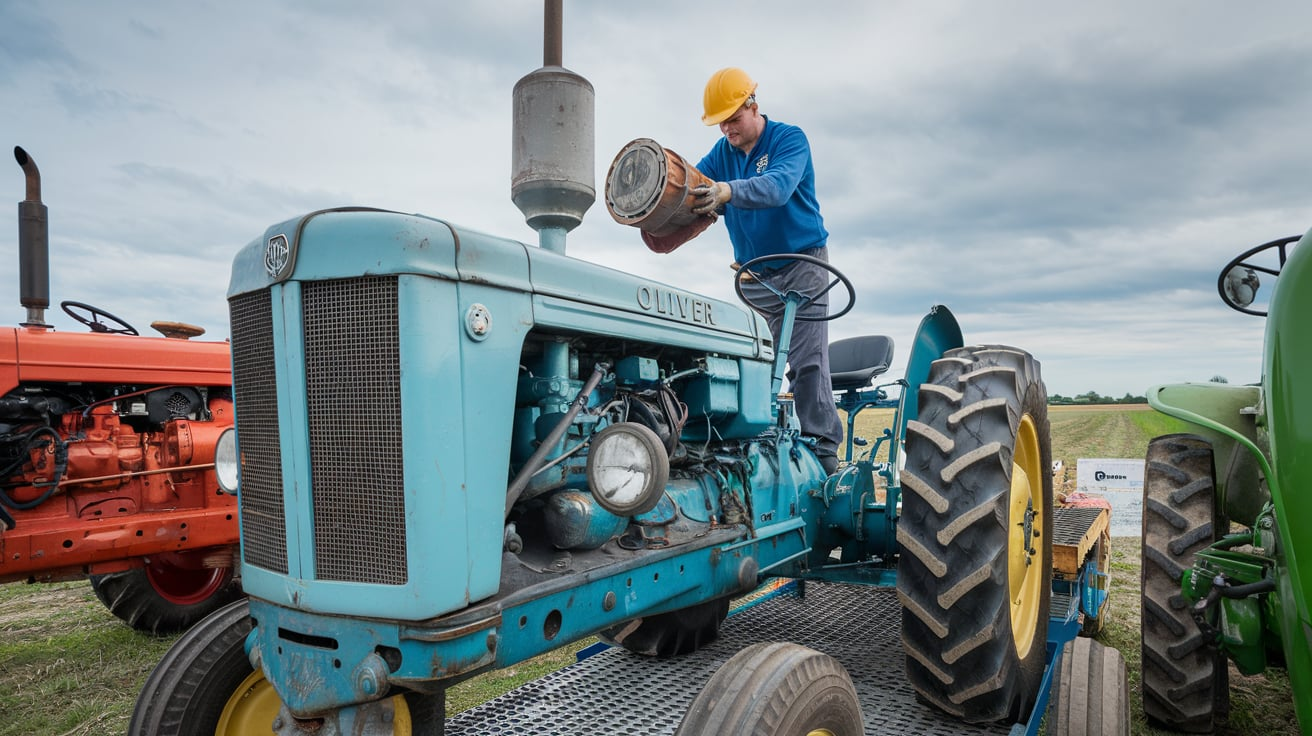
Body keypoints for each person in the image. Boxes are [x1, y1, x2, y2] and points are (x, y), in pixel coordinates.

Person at [690, 67, 844, 475]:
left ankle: (824, 452)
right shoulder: (721, 155)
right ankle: (753, 445)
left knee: (806, 361)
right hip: (756, 275)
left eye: (733, 119)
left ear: (753, 106)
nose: (727, 130)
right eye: (721, 123)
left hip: (804, 264)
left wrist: (727, 191)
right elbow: (693, 183)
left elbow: (776, 189)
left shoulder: (789, 140)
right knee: (753, 361)